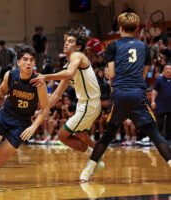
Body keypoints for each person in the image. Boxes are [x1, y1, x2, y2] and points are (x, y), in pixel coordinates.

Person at [80, 12, 171, 182]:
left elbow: (112, 74)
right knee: (155, 134)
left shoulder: (113, 46)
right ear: (137, 29)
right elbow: (144, 74)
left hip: (120, 93)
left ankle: (87, 171)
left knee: (108, 135)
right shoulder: (144, 47)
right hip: (137, 93)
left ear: (120, 28)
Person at [30, 29, 105, 176]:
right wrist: (42, 110)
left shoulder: (78, 56)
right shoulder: (68, 66)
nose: (66, 43)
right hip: (83, 105)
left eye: (71, 41)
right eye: (66, 41)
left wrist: (46, 77)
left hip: (90, 103)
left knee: (62, 135)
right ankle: (96, 156)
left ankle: (93, 163)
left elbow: (70, 74)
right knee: (82, 134)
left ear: (78, 47)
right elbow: (56, 95)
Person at [0, 46, 50, 183]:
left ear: (34, 63)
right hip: (6, 115)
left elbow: (46, 109)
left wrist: (33, 127)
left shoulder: (39, 83)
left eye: (31, 60)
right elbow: (1, 90)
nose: (28, 63)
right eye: (25, 60)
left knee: (0, 159)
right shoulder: (10, 75)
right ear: (19, 62)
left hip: (22, 124)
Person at [152, 64, 171, 140]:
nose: (168, 70)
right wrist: (153, 101)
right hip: (160, 105)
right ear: (163, 70)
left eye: (169, 69)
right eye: (166, 69)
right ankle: (157, 140)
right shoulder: (159, 80)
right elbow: (154, 91)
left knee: (170, 125)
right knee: (158, 124)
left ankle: (169, 141)